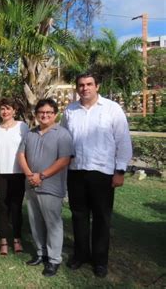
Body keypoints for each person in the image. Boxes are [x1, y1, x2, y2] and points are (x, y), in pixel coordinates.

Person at [62, 73, 132, 278]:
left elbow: (123, 141)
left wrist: (120, 171)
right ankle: (80, 255)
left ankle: (100, 261)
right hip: (76, 171)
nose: (85, 88)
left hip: (102, 172)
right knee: (78, 215)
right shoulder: (70, 111)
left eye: (89, 84)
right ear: (77, 88)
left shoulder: (112, 109)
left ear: (97, 86)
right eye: (81, 85)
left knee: (101, 218)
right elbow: (65, 139)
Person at [18, 98, 74, 277]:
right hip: (31, 185)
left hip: (51, 186)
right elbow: (21, 155)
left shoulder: (62, 134)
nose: (45, 115)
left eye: (49, 112)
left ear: (55, 114)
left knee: (53, 224)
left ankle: (54, 259)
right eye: (41, 112)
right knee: (35, 223)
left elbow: (64, 159)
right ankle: (41, 254)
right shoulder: (30, 133)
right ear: (36, 115)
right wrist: (29, 175)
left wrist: (41, 175)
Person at [0, 98, 29, 255]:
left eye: (8, 108)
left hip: (18, 173)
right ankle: (3, 239)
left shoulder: (23, 127)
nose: (5, 112)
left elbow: (28, 149)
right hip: (0, 174)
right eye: (2, 109)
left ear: (14, 111)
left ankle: (17, 239)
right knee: (3, 207)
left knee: (16, 207)